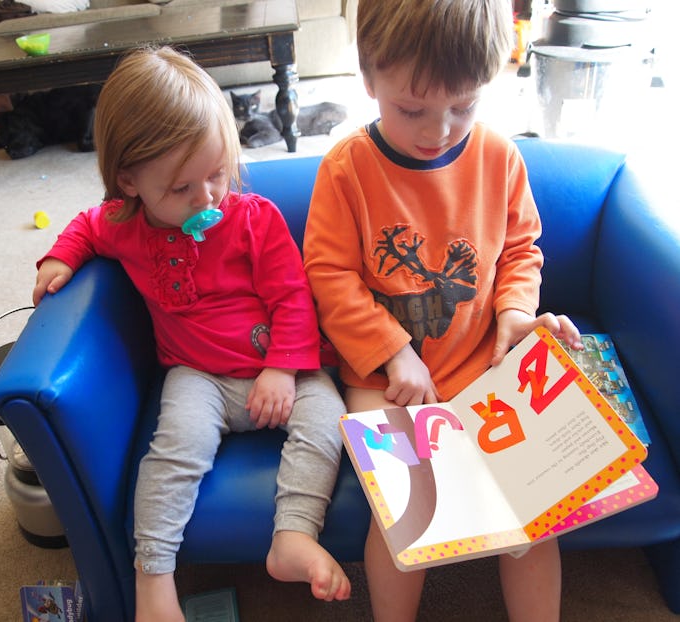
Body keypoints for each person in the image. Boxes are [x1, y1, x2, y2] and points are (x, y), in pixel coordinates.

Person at [32, 47, 351, 622]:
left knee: (329, 422)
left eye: (217, 174)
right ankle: (153, 576)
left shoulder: (254, 218)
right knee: (174, 450)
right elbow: (85, 225)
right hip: (197, 376)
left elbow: (292, 297)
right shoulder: (122, 225)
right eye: (182, 189)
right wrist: (59, 259)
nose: (207, 198)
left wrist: (281, 367)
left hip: (279, 370)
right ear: (128, 181)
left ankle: (293, 536)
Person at [302, 1, 584, 621]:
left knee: (534, 514)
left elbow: (518, 249)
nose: (438, 130)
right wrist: (393, 351)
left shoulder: (499, 157)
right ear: (369, 78)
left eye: (464, 106)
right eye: (412, 110)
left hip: (485, 362)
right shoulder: (346, 170)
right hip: (385, 379)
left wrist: (514, 315)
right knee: (407, 511)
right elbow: (329, 277)